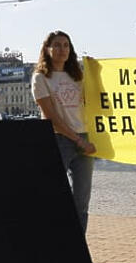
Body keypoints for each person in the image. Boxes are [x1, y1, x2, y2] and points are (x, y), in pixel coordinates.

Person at [31, 30, 96, 234]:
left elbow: (98, 102)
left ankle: (80, 255)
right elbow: (51, 117)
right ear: (47, 49)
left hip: (84, 137)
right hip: (58, 140)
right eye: (57, 45)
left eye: (66, 45)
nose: (62, 49)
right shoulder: (41, 78)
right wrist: (78, 140)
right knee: (55, 200)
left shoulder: (79, 75)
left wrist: (97, 72)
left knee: (81, 203)